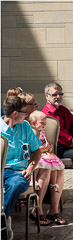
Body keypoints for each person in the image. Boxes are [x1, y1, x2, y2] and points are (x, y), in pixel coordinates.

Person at [2, 96, 42, 227]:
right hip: (1, 170)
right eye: (24, 112)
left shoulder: (25, 127)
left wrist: (31, 168)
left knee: (15, 185)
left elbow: (36, 151)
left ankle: (2, 220)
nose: (26, 115)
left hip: (18, 172)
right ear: (15, 113)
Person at [28, 111, 65, 226]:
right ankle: (37, 209)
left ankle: (53, 210)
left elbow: (44, 142)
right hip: (33, 157)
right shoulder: (29, 129)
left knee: (59, 168)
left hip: (43, 155)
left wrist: (48, 146)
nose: (44, 125)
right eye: (42, 123)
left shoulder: (41, 131)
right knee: (46, 167)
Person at [41, 83, 73, 168]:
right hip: (55, 148)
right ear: (47, 96)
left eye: (60, 94)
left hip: (68, 145)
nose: (58, 97)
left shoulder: (63, 110)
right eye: (54, 95)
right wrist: (71, 141)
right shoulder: (45, 114)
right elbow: (58, 133)